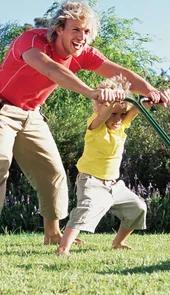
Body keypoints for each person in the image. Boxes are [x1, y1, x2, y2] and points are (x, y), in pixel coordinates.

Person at [0, 0, 170, 256]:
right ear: (59, 29)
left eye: (87, 32)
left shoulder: (83, 53)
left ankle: (53, 234)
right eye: (76, 29)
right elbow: (52, 70)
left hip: (31, 113)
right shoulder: (31, 42)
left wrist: (151, 91)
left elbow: (120, 72)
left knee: (52, 171)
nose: (82, 37)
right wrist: (91, 92)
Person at [57, 75, 159, 255]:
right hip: (91, 181)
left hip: (113, 184)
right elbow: (104, 114)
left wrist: (149, 100)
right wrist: (111, 102)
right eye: (114, 113)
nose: (118, 118)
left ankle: (118, 242)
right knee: (86, 209)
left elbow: (136, 110)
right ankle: (64, 247)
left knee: (138, 208)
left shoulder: (121, 125)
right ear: (100, 108)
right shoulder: (95, 124)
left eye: (122, 114)